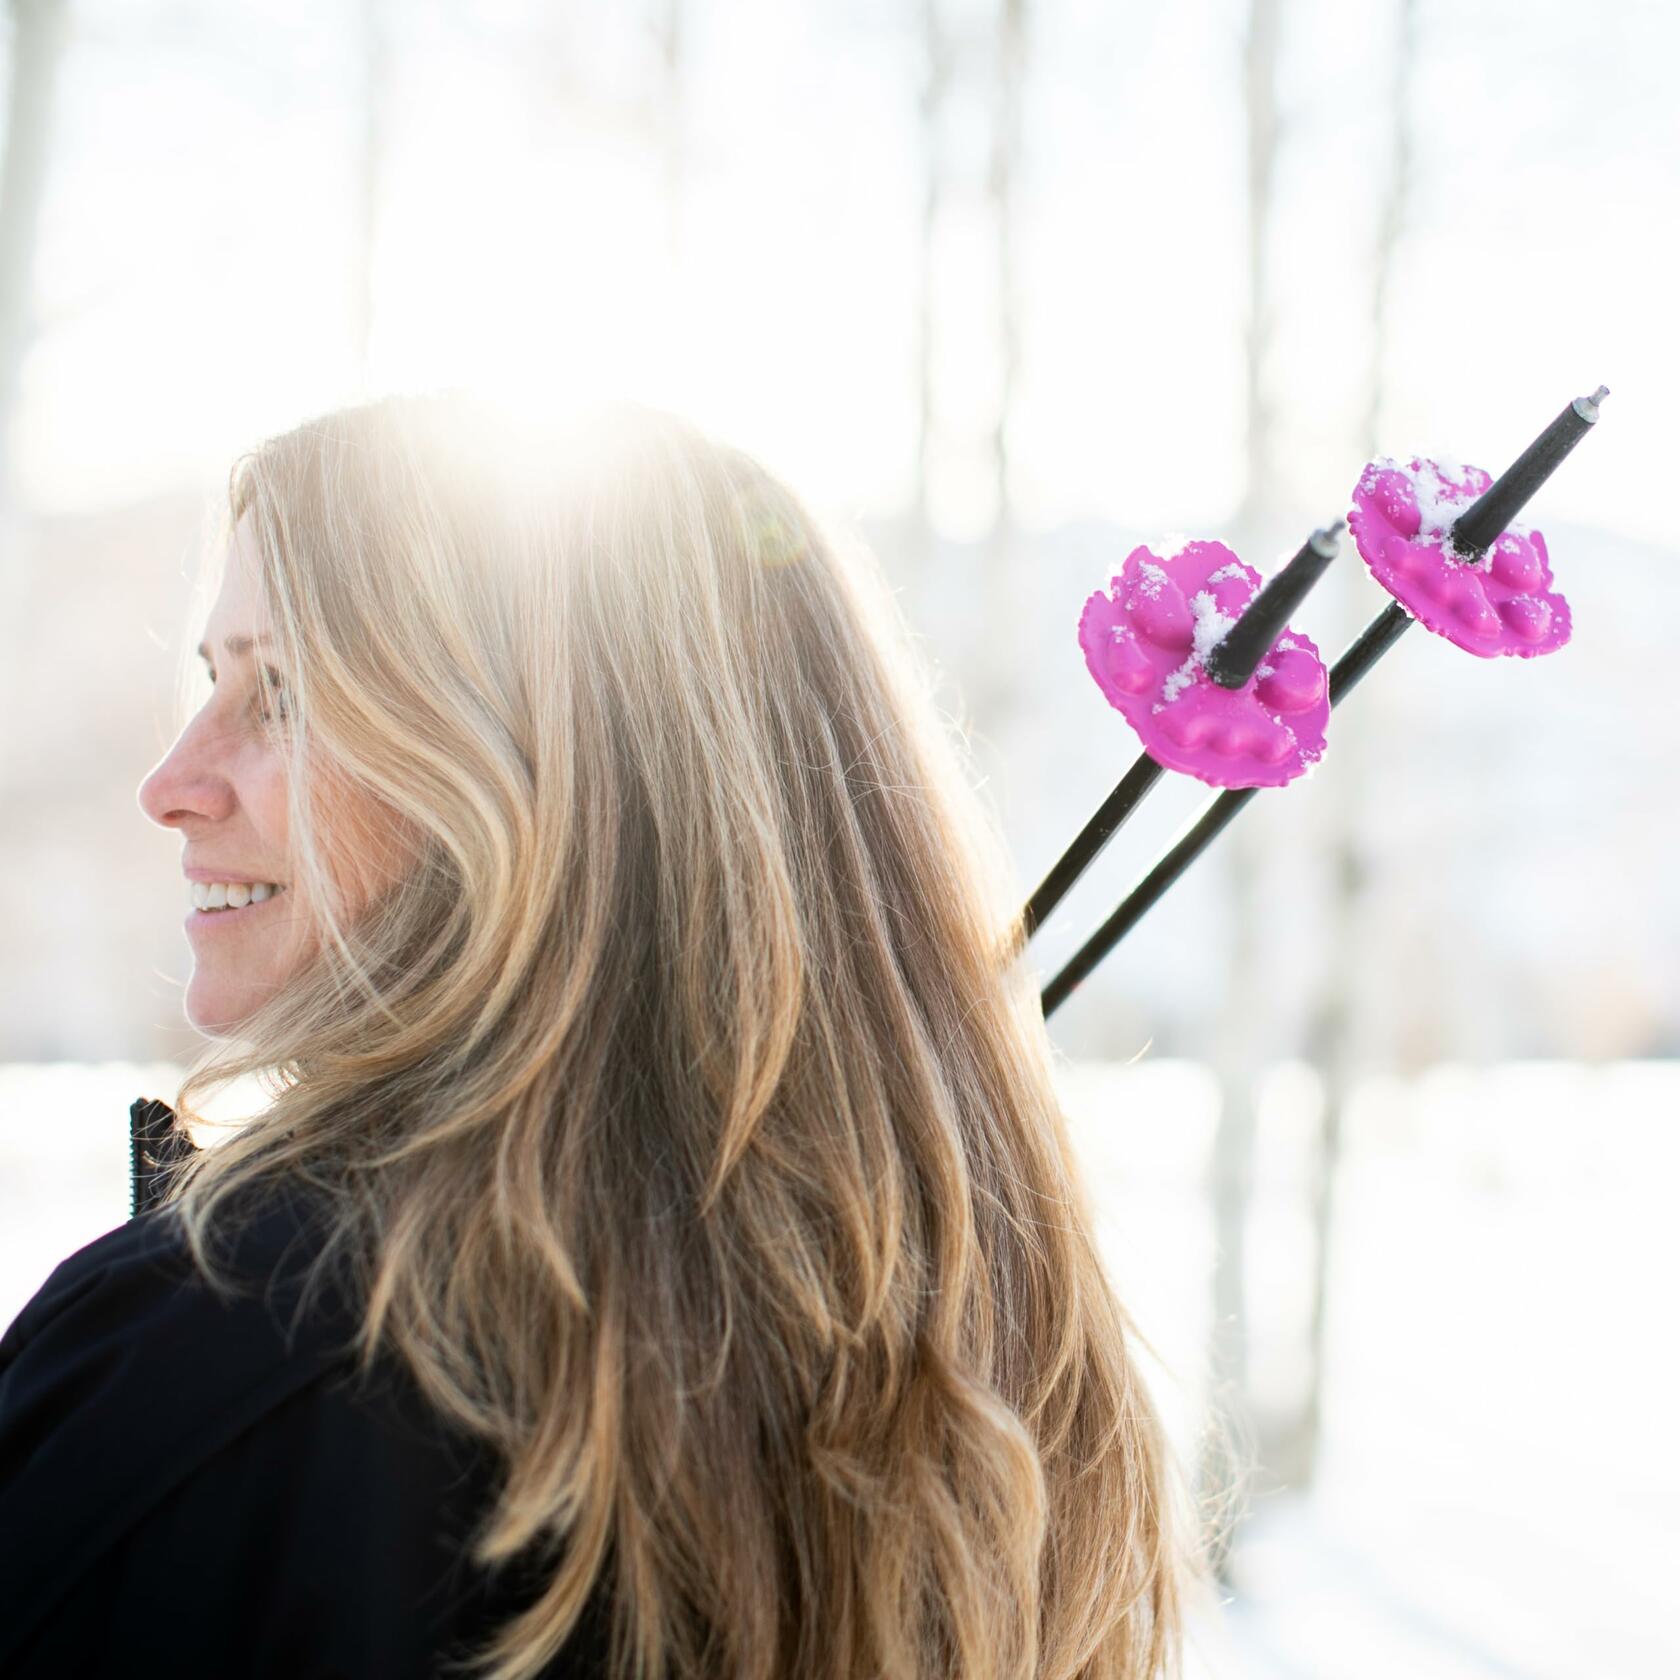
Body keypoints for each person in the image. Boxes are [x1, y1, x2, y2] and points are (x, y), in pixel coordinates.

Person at [0, 393, 1190, 1678]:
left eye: (283, 692)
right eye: (214, 678)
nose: (172, 783)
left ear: (544, 780)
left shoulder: (234, 1357)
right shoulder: (991, 1363)